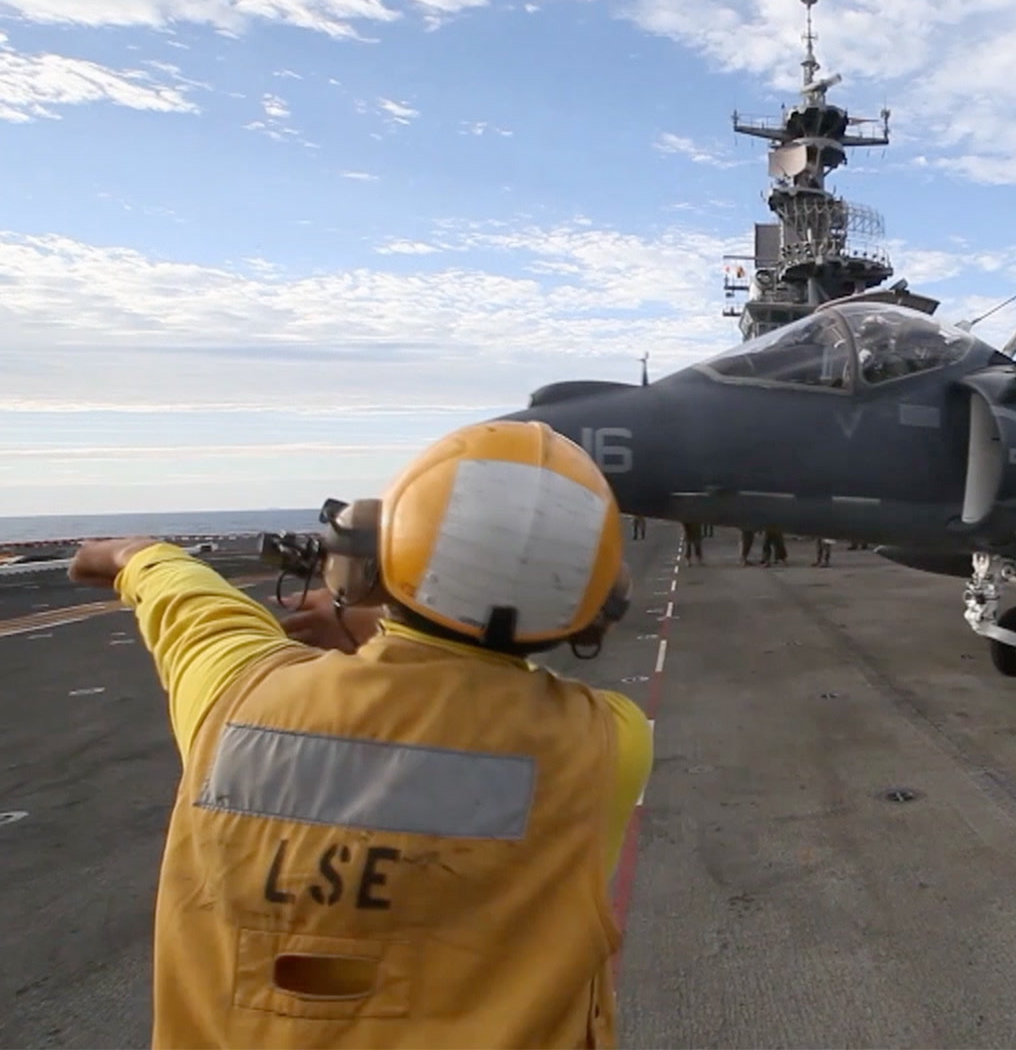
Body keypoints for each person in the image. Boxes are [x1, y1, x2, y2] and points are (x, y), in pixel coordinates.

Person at [69, 420, 652, 1049]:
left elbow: (193, 602)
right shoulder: (608, 743)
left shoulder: (232, 689)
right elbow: (489, 681)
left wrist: (136, 555)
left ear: (370, 555)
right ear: (594, 608)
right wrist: (383, 626)